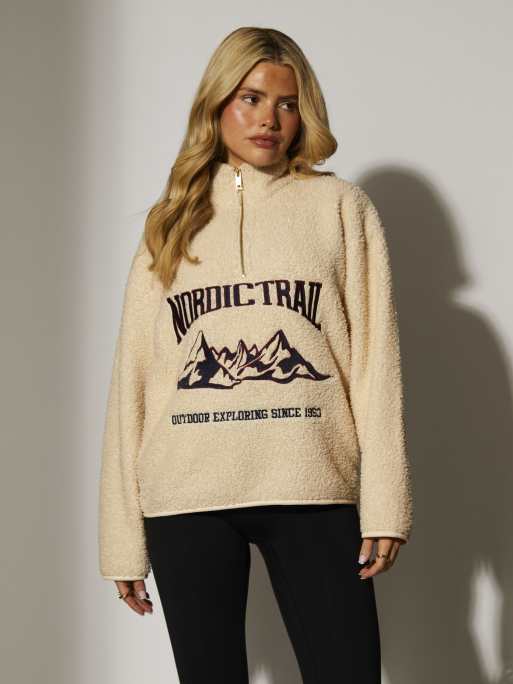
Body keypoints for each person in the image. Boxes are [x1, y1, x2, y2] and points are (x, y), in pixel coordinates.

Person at [98, 26, 413, 683]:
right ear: (216, 103)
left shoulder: (339, 208)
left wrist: (386, 501)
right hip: (185, 495)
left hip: (310, 482)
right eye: (250, 98)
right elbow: (133, 380)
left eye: (287, 103)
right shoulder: (170, 221)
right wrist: (121, 536)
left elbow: (375, 365)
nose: (270, 119)